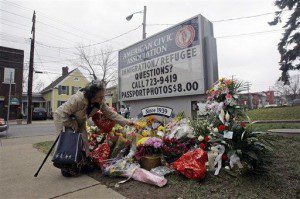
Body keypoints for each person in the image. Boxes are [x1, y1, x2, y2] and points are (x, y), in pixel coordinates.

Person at [53, 80, 135, 176]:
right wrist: (72, 125)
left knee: (84, 140)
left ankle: (84, 163)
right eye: (100, 97)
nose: (102, 99)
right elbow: (62, 113)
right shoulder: (78, 99)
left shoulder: (100, 102)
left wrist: (127, 122)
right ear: (92, 95)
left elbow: (111, 114)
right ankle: (65, 165)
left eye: (103, 96)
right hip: (64, 119)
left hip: (79, 121)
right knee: (69, 142)